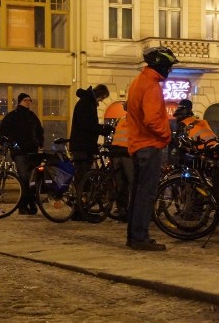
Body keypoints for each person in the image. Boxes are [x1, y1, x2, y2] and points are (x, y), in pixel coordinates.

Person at [125, 46, 178, 251]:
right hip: (149, 145)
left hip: (137, 145)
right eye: (169, 67)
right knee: (146, 195)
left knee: (137, 194)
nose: (170, 71)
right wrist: (167, 135)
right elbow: (152, 119)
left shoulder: (138, 82)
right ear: (160, 65)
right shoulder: (152, 85)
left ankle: (134, 236)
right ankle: (140, 237)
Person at [0, 92, 44, 215]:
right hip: (19, 152)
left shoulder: (32, 116)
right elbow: (2, 130)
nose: (28, 102)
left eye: (29, 100)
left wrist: (40, 142)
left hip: (32, 152)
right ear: (20, 101)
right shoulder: (12, 116)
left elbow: (40, 130)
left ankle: (31, 202)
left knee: (32, 179)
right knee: (24, 177)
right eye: (26, 100)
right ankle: (23, 205)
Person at [69, 84, 113, 221]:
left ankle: (81, 209)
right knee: (83, 179)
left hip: (83, 146)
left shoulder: (86, 102)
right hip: (82, 146)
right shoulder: (86, 103)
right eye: (101, 99)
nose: (100, 102)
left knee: (83, 179)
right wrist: (102, 129)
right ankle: (79, 211)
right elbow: (86, 125)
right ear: (99, 95)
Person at [109, 101, 132, 221]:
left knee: (120, 184)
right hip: (127, 154)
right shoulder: (135, 119)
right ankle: (132, 211)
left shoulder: (121, 119)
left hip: (116, 153)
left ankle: (121, 211)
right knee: (132, 183)